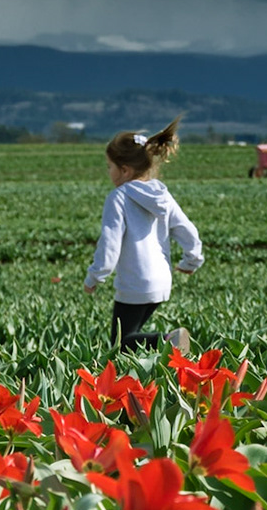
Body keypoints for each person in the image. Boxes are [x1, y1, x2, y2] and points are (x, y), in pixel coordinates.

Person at [83, 118, 202, 354]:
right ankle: (155, 364)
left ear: (124, 170)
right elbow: (186, 229)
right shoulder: (162, 195)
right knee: (131, 336)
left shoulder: (118, 198)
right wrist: (192, 260)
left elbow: (110, 245)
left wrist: (95, 277)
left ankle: (169, 341)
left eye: (110, 166)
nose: (109, 172)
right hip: (161, 281)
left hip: (135, 283)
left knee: (120, 343)